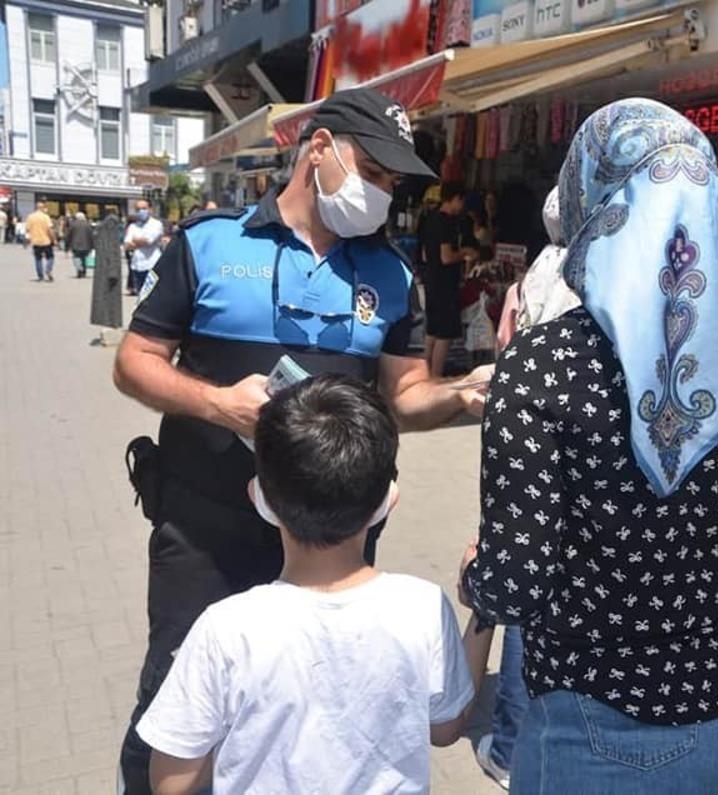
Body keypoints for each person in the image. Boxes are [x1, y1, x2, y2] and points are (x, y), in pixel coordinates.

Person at [112, 87, 492, 794]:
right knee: (175, 712)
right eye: (371, 172)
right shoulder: (211, 244)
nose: (380, 192)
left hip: (331, 541)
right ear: (319, 147)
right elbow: (133, 361)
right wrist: (217, 403)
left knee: (317, 717)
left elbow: (405, 395)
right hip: (204, 532)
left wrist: (464, 395)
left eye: (390, 182)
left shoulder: (391, 273)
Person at [461, 99, 718, 792]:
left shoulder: (542, 365)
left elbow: (517, 582)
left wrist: (474, 574)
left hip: (593, 721)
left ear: (591, 204)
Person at [136, 375, 493, 793]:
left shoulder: (226, 629)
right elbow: (446, 725)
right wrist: (485, 611)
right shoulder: (421, 607)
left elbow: (171, 784)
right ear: (388, 500)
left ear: (260, 497)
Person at [474, 186, 577, 790]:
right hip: (581, 456)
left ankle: (511, 739)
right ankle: (526, 733)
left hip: (519, 447)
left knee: (522, 586)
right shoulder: (597, 279)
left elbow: (504, 356)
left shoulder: (530, 281)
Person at [420, 181, 476, 377]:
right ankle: (435, 377)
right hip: (445, 283)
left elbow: (426, 255)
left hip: (431, 278)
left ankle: (423, 374)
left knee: (432, 330)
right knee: (445, 333)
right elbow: (447, 256)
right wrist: (464, 253)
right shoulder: (447, 222)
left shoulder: (430, 218)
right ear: (455, 199)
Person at [124, 200, 164, 296]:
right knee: (140, 297)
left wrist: (135, 240)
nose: (141, 211)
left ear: (150, 209)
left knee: (153, 296)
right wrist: (140, 242)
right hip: (137, 265)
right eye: (138, 209)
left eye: (144, 208)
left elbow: (149, 241)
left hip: (152, 265)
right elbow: (126, 246)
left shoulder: (156, 224)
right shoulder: (133, 226)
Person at [26, 202, 56, 281]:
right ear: (42, 208)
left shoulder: (30, 217)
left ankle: (40, 276)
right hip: (46, 240)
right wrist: (54, 239)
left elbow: (27, 229)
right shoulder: (46, 217)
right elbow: (50, 229)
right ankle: (48, 269)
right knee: (50, 257)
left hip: (35, 241)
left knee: (38, 259)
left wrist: (28, 239)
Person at [66, 212, 95, 278]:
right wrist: (93, 246)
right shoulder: (88, 225)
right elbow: (91, 236)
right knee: (84, 259)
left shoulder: (73, 224)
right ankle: (83, 272)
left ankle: (79, 271)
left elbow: (69, 235)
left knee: (77, 258)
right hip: (86, 245)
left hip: (75, 245)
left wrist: (67, 246)